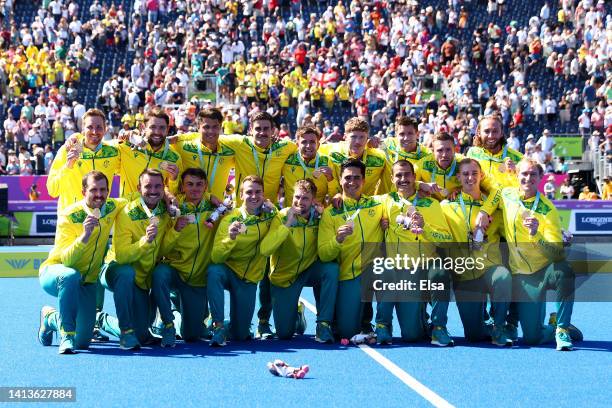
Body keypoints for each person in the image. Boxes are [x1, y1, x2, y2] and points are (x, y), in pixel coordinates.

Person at [499, 158, 582, 350]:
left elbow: (558, 254)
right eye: (524, 174)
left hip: (543, 272)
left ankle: (562, 328)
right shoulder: (507, 195)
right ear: (517, 175)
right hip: (519, 275)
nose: (528, 178)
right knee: (532, 338)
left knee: (564, 271)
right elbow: (487, 178)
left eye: (533, 174)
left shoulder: (548, 209)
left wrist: (537, 235)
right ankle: (551, 325)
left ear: (540, 178)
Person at [38, 171, 125, 354]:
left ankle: (50, 318)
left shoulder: (111, 207)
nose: (99, 195)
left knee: (83, 342)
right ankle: (66, 335)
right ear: (83, 190)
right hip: (55, 272)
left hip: (87, 283)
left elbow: (133, 199)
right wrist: (84, 236)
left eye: (103, 190)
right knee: (70, 275)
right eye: (94, 190)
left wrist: (167, 197)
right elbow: (67, 260)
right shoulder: (70, 215)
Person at [375, 160, 455, 346]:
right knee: (411, 335)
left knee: (441, 273)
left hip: (425, 268)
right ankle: (382, 325)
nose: (403, 179)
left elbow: (446, 238)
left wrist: (425, 227)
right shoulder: (385, 201)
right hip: (402, 272)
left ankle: (438, 328)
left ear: (414, 177)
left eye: (408, 175)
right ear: (392, 178)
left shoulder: (431, 205)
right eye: (398, 175)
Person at [97, 169, 173, 349]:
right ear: (139, 188)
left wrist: (176, 230)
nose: (153, 191)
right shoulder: (127, 213)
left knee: (142, 336)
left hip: (143, 279)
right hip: (116, 270)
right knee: (126, 272)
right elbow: (122, 256)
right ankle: (116, 327)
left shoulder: (165, 211)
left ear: (163, 188)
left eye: (157, 186)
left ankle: (131, 328)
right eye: (148, 186)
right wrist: (145, 241)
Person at [441, 159, 512, 346]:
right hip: (465, 275)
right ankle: (487, 325)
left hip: (490, 269)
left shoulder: (495, 209)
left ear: (481, 176)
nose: (470, 177)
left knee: (503, 277)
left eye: (474, 173)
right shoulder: (447, 207)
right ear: (458, 177)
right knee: (474, 336)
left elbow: (514, 230)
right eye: (465, 174)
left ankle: (499, 328)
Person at [261, 179, 339, 342]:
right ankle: (296, 312)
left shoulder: (319, 217)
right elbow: (265, 250)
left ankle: (323, 324)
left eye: (305, 198)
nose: (300, 202)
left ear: (313, 200)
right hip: (285, 276)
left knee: (330, 269)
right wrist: (288, 223)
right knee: (284, 334)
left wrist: (323, 213)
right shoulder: (281, 217)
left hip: (309, 270)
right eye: (297, 197)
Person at [318, 159, 385, 339]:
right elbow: (324, 254)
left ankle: (382, 324)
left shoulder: (378, 204)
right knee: (348, 332)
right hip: (350, 274)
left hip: (374, 270)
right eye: (347, 178)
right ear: (340, 180)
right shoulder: (331, 212)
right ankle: (359, 319)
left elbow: (404, 190)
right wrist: (337, 239)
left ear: (364, 181)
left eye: (357, 178)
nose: (352, 182)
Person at [207, 175, 276, 346]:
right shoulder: (230, 218)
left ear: (264, 194)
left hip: (249, 278)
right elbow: (216, 257)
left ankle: (233, 325)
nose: (254, 196)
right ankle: (218, 325)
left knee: (240, 334)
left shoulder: (270, 216)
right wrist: (230, 238)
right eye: (249, 192)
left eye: (258, 192)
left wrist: (273, 209)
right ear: (241, 195)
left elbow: (285, 215)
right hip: (228, 271)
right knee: (214, 271)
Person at [153, 168, 218, 346]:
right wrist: (175, 230)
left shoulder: (215, 209)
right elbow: (163, 249)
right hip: (175, 270)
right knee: (159, 274)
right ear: (182, 186)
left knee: (191, 336)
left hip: (196, 279)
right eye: (190, 184)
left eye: (199, 184)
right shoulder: (173, 208)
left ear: (205, 186)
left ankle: (176, 311)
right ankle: (167, 323)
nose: (194, 189)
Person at [47, 109, 121, 212]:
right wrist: (68, 166)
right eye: (90, 127)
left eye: (99, 127)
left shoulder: (113, 153)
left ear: (105, 129)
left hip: (100, 221)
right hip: (72, 221)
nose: (94, 131)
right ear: (83, 129)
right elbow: (53, 190)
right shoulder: (68, 149)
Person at [115, 108, 182, 198]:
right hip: (126, 209)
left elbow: (173, 194)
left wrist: (173, 181)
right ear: (143, 127)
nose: (157, 132)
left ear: (167, 129)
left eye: (162, 128)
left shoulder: (174, 158)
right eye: (152, 127)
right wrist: (122, 136)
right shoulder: (126, 146)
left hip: (155, 211)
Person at [174, 108, 236, 201]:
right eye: (206, 127)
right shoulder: (183, 147)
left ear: (220, 127)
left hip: (216, 211)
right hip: (187, 210)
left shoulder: (229, 152)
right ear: (198, 127)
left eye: (215, 127)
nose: (211, 131)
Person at [320, 117, 392, 196]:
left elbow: (393, 171)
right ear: (345, 137)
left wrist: (381, 144)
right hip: (339, 205)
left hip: (368, 206)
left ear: (367, 138)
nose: (357, 142)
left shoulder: (379, 158)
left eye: (362, 137)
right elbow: (312, 148)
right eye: (353, 137)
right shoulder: (333, 151)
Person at [281, 126, 340, 206]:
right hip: (291, 213)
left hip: (316, 214)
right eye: (304, 142)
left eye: (312, 142)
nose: (308, 146)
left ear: (318, 145)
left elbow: (335, 193)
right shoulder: (287, 159)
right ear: (297, 144)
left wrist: (331, 179)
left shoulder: (326, 161)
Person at [467, 114, 523, 189]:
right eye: (486, 131)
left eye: (495, 131)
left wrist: (516, 172)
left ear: (501, 133)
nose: (491, 136)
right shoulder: (472, 153)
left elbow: (539, 184)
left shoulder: (517, 157)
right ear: (479, 133)